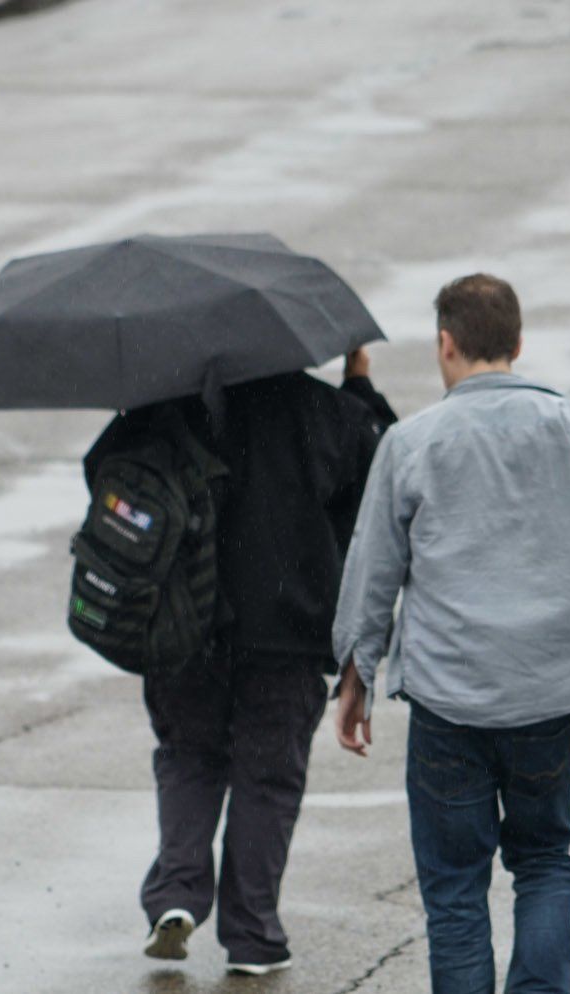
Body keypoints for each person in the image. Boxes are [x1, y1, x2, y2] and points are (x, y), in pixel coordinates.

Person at [331, 274, 570, 994]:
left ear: (445, 343)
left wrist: (357, 676)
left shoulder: (411, 442)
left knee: (454, 891)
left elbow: (373, 568)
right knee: (542, 860)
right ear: (517, 344)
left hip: (449, 702)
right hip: (548, 692)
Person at [85, 349, 397, 976]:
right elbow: (381, 470)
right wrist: (359, 387)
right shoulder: (319, 408)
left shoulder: (162, 409)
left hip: (184, 623)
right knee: (267, 778)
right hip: (288, 626)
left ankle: (175, 895)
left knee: (189, 757)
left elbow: (103, 474)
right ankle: (252, 936)